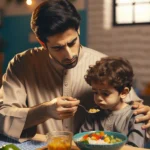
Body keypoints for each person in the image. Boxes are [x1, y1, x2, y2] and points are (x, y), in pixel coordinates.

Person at [0, 0, 149, 142]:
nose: (69, 55)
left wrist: (147, 115)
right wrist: (44, 111)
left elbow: (136, 112)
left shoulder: (103, 65)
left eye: (72, 43)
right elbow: (2, 119)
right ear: (42, 43)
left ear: (78, 30)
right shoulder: (21, 64)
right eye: (58, 48)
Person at [80, 57, 145, 147]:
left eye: (105, 94)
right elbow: (83, 140)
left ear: (123, 92)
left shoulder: (135, 116)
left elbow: (134, 147)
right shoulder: (93, 114)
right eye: (95, 92)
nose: (98, 98)